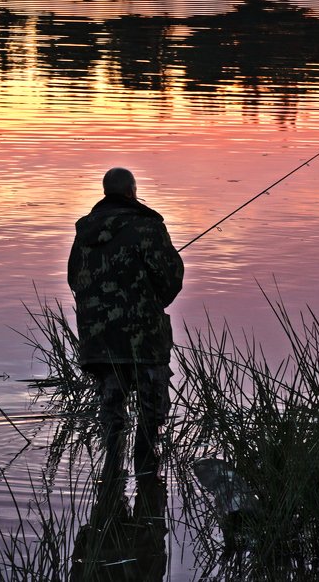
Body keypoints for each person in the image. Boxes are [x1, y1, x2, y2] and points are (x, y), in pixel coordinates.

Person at [67, 167, 184, 477]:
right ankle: (146, 476)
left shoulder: (85, 230)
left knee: (112, 412)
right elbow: (171, 279)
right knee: (151, 411)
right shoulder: (148, 227)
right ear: (132, 192)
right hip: (144, 339)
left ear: (106, 192)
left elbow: (75, 280)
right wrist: (151, 302)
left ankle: (111, 475)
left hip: (100, 340)